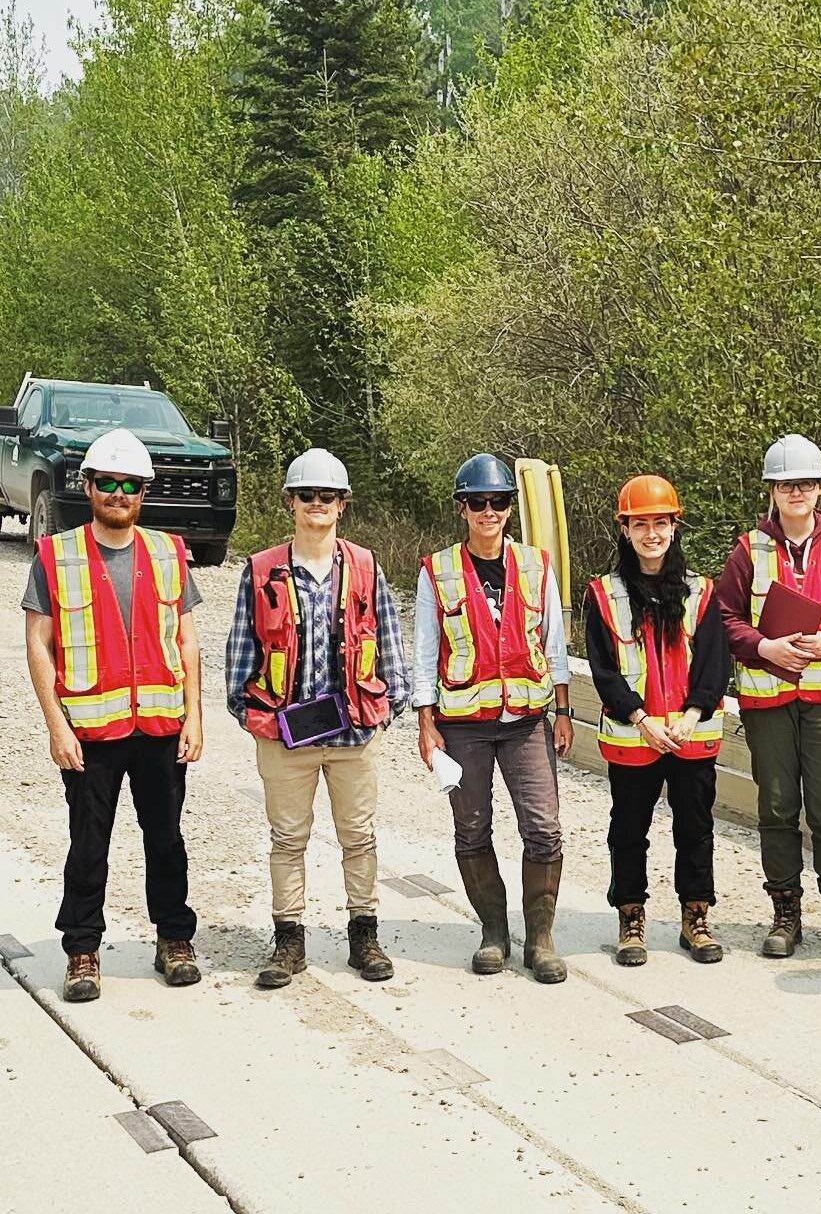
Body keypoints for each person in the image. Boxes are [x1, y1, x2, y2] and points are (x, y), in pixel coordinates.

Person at [22, 428, 204, 1002]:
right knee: (88, 842)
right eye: (108, 483)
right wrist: (56, 727)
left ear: (143, 492)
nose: (118, 494)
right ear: (88, 486)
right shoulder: (56, 555)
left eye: (129, 485)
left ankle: (174, 939)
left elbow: (190, 640)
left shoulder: (169, 553)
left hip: (159, 726)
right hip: (90, 733)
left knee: (166, 839)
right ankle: (82, 949)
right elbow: (37, 644)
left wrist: (194, 717)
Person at [225, 449, 410, 987]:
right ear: (291, 502)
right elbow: (241, 652)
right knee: (288, 839)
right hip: (285, 737)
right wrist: (260, 721)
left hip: (354, 732)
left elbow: (390, 645)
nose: (316, 505)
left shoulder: (365, 566)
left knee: (359, 836)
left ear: (342, 505)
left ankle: (364, 935)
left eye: (326, 496)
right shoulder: (261, 570)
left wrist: (384, 712)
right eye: (306, 495)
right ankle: (288, 941)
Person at [718, 434, 821, 956]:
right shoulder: (748, 549)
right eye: (788, 484)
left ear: (820, 489)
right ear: (772, 489)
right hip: (767, 700)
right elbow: (723, 618)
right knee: (777, 805)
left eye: (807, 483)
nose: (798, 492)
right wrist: (765, 646)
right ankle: (784, 910)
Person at [415, 453, 575, 984]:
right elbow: (425, 649)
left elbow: (553, 641)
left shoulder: (536, 565)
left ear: (510, 507)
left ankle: (541, 938)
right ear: (462, 508)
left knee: (544, 829)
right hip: (462, 723)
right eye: (478, 502)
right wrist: (426, 723)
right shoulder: (437, 572)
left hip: (527, 721)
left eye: (499, 502)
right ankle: (493, 934)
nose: (489, 512)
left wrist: (564, 709)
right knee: (472, 829)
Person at [586, 476, 731, 965]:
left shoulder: (701, 592)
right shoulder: (603, 595)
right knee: (628, 829)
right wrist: (642, 718)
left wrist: (691, 716)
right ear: (624, 530)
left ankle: (696, 917)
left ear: (675, 526)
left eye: (661, 523)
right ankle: (631, 918)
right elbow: (603, 669)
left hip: (691, 736)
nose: (652, 533)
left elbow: (714, 664)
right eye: (641, 523)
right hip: (635, 736)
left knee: (695, 828)